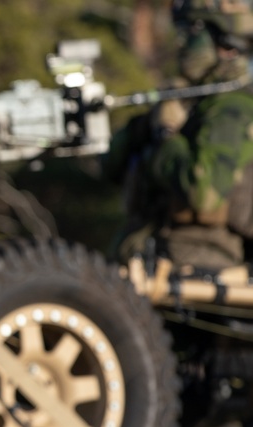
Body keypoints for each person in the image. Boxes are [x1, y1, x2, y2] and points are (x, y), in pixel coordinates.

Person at [105, 0, 253, 270]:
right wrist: (147, 125)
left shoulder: (234, 109)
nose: (180, 44)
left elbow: (204, 193)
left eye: (189, 32)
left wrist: (168, 136)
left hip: (198, 269)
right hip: (143, 259)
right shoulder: (189, 100)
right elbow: (110, 166)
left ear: (225, 42)